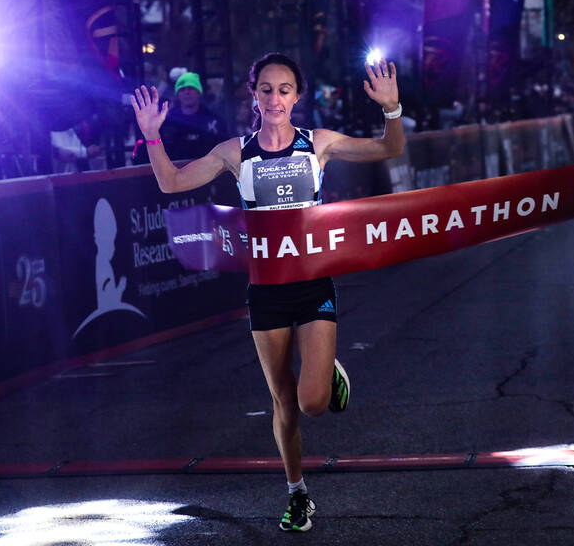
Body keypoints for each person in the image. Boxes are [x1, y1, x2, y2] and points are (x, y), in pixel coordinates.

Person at [131, 53, 404, 531]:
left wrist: (392, 109)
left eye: (284, 90)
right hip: (267, 291)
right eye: (266, 90)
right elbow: (171, 182)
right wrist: (152, 134)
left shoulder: (318, 143)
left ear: (297, 96)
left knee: (312, 402)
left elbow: (388, 149)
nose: (275, 98)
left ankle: (327, 373)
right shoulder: (234, 152)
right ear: (253, 96)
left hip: (314, 283)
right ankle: (298, 493)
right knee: (283, 402)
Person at [157, 71, 227, 161]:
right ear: (177, 95)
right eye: (182, 89)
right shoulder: (166, 122)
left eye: (191, 88)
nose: (187, 92)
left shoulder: (214, 122)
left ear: (199, 92)